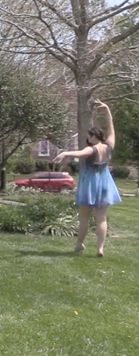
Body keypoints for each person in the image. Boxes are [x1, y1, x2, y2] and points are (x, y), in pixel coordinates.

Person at [53, 100, 121, 257]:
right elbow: (111, 127)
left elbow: (79, 154)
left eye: (89, 136)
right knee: (101, 218)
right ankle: (100, 248)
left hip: (90, 184)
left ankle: (79, 244)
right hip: (105, 183)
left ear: (93, 136)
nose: (88, 138)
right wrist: (107, 110)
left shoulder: (91, 149)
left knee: (84, 217)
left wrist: (65, 153)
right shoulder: (109, 146)